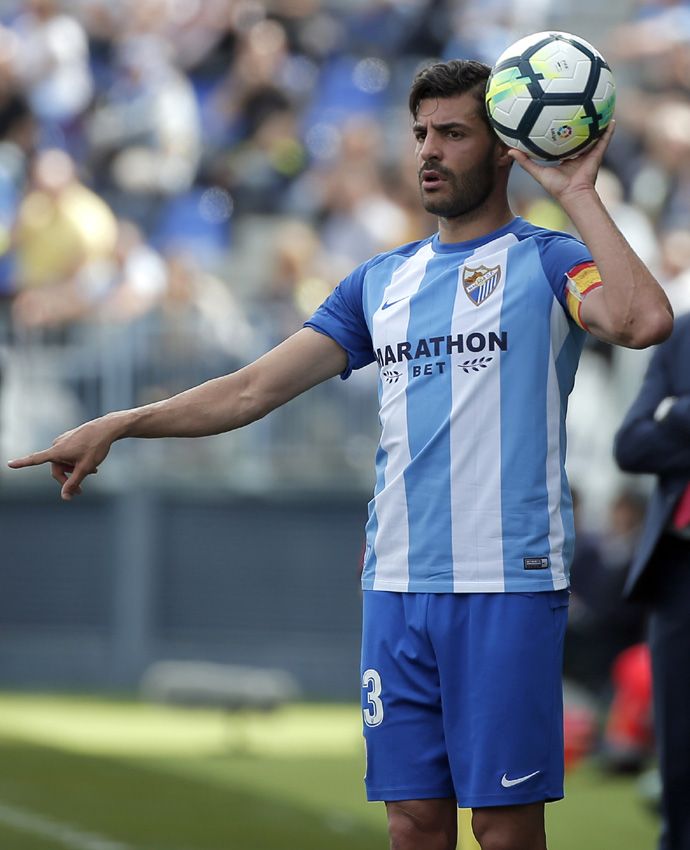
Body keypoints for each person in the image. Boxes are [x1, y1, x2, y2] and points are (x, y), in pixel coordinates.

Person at [8, 60, 673, 850]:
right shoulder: (379, 282)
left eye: (453, 134)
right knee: (414, 822)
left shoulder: (548, 258)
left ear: (506, 151)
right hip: (394, 583)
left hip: (506, 580)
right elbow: (252, 390)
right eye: (421, 132)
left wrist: (576, 193)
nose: (428, 150)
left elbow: (642, 322)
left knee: (502, 828)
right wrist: (122, 421)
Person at [614, 311, 690, 850]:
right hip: (678, 570)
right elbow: (632, 445)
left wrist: (676, 417)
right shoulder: (682, 332)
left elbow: (655, 434)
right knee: (680, 759)